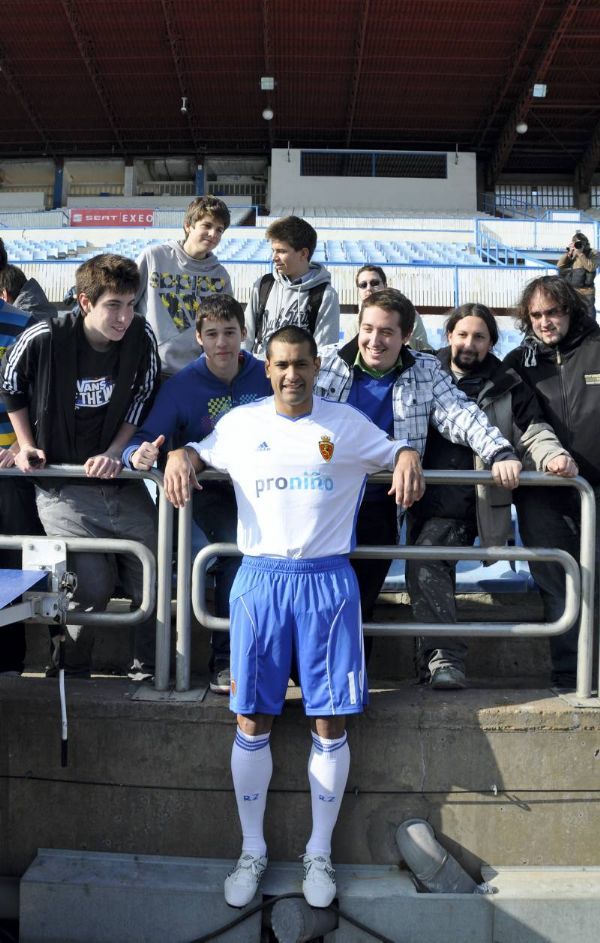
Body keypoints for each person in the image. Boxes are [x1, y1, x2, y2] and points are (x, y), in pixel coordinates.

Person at [162, 324, 424, 910]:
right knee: (252, 718)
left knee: (329, 722)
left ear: (315, 365)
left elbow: (393, 450)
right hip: (259, 582)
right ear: (268, 366)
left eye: (301, 364)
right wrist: (181, 455)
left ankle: (319, 851)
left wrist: (407, 453)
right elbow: (198, 451)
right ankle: (252, 850)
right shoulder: (243, 422)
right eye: (280, 364)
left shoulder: (345, 425)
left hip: (328, 582)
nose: (291, 375)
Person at [315, 288, 522, 661]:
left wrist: (499, 451)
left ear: (406, 336)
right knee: (319, 597)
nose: (374, 341)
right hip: (321, 503)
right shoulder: (326, 362)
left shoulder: (425, 371)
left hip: (378, 506)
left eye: (387, 332)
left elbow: (461, 414)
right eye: (368, 328)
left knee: (359, 597)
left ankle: (348, 681)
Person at [0, 254, 160, 680]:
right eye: (114, 305)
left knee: (155, 568)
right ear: (85, 302)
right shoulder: (45, 334)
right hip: (62, 485)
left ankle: (152, 667)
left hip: (120, 482)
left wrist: (114, 451)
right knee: (90, 582)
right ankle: (70, 668)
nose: (124, 316)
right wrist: (27, 445)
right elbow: (10, 384)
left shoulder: (141, 336)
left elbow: (143, 396)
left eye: (131, 303)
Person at [405, 302, 577, 689]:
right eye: (462, 334)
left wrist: (555, 457)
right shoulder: (421, 373)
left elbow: (533, 431)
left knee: (427, 560)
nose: (469, 343)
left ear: (492, 343)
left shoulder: (507, 383)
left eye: (479, 337)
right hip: (420, 499)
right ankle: (429, 662)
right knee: (421, 565)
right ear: (447, 336)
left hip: (473, 505)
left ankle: (444, 660)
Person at [122, 294, 271, 694]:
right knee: (232, 553)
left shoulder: (267, 374)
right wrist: (145, 453)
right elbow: (140, 441)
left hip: (266, 492)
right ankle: (225, 661)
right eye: (212, 334)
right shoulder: (182, 385)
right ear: (199, 339)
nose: (222, 343)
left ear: (245, 334)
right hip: (209, 495)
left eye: (230, 333)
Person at [503, 275, 598, 690]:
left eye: (553, 312)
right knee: (556, 584)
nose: (545, 321)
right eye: (536, 314)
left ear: (570, 310)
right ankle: (568, 675)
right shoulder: (515, 362)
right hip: (542, 494)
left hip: (597, 487)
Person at [135, 196, 232, 377]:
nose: (214, 234)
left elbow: (223, 326)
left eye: (219, 230)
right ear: (188, 225)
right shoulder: (153, 257)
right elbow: (127, 304)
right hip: (147, 369)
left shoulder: (220, 277)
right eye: (207, 226)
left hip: (194, 373)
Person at [0, 288, 45, 675]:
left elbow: (41, 394)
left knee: (10, 569)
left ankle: (10, 664)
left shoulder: (25, 325)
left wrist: (19, 444)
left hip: (11, 471)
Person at [243, 215, 339, 358]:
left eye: (281, 251)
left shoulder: (325, 294)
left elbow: (324, 352)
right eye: (273, 250)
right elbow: (246, 337)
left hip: (297, 377)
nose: (274, 257)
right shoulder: (263, 285)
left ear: (303, 253)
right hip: (259, 374)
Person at [355, 265, 429, 350]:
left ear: (385, 285)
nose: (369, 288)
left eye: (374, 283)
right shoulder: (353, 325)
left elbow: (423, 350)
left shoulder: (408, 314)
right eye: (363, 285)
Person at [556, 231, 599, 315]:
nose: (578, 246)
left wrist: (580, 253)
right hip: (572, 291)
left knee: (588, 317)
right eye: (576, 243)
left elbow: (591, 267)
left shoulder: (593, 253)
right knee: (572, 316)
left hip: (587, 292)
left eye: (581, 243)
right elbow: (559, 266)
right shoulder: (573, 252)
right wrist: (569, 254)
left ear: (586, 243)